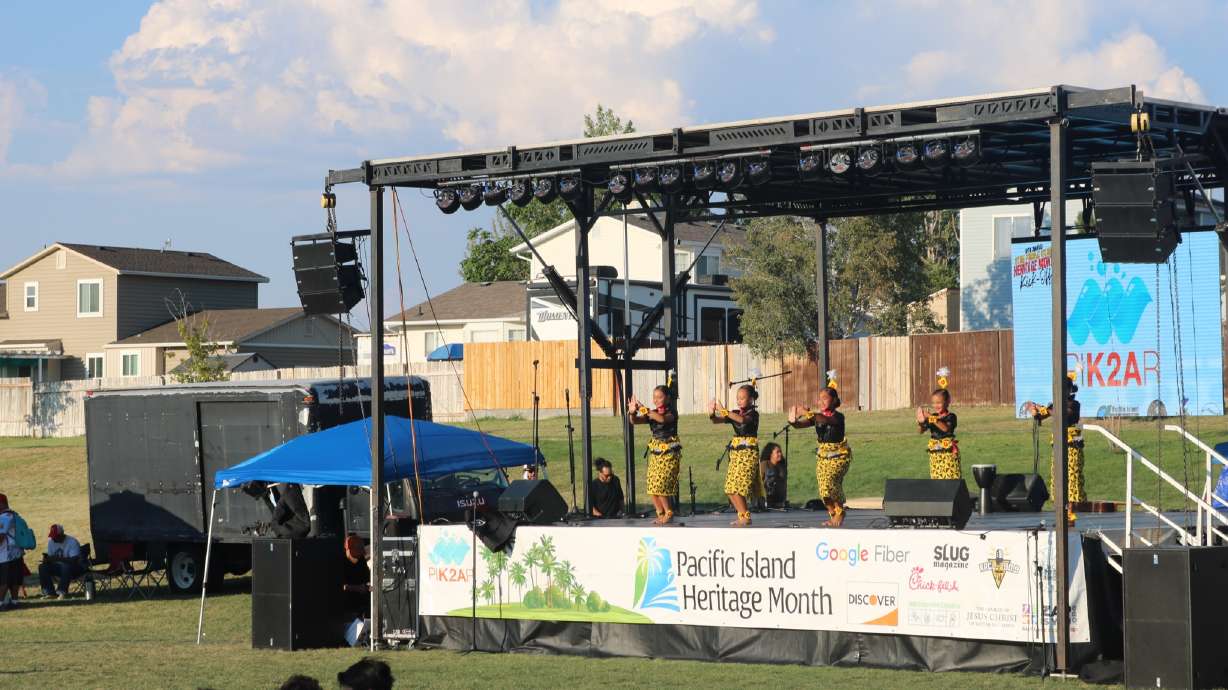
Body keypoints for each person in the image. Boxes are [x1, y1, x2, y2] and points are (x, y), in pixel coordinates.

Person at [789, 379, 852, 527]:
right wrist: (793, 420)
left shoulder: (838, 417)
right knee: (824, 490)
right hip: (823, 457)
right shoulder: (817, 417)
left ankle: (840, 511)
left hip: (839, 457)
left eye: (825, 398)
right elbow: (799, 425)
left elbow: (824, 419)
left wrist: (807, 412)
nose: (821, 401)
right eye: (820, 398)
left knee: (830, 483)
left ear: (834, 400)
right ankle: (834, 514)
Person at [1024, 373, 1083, 525]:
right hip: (1058, 446)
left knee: (1070, 480)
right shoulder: (1054, 405)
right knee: (1058, 479)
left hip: (1071, 448)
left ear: (1070, 390)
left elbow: (1066, 415)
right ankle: (1061, 514)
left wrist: (1048, 409)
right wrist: (1035, 410)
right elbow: (1041, 416)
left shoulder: (1074, 404)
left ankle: (1070, 515)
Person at [709, 384, 763, 527]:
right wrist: (712, 413)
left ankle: (745, 516)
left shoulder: (753, 414)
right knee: (730, 488)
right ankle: (743, 516)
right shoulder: (734, 412)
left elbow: (742, 420)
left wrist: (725, 411)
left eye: (742, 398)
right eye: (737, 398)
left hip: (748, 454)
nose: (739, 401)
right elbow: (716, 421)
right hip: (736, 454)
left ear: (751, 399)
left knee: (739, 487)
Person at [628, 385, 681, 525]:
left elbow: (662, 419)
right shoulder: (652, 413)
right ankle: (660, 513)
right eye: (654, 397)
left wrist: (644, 409)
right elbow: (634, 421)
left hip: (669, 453)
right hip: (656, 453)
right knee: (652, 486)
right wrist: (633, 412)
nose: (656, 400)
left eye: (660, 397)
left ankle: (669, 512)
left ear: (668, 398)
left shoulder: (672, 412)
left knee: (660, 484)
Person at [916, 368, 960, 480]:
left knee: (950, 476)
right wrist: (921, 423)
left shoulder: (951, 416)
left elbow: (945, 429)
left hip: (948, 452)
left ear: (947, 402)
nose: (936, 406)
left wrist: (930, 417)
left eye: (939, 403)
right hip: (935, 452)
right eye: (934, 403)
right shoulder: (933, 417)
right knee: (936, 477)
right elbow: (921, 431)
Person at [39, 524, 83, 599]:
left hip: (74, 569)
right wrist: (47, 560)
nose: (53, 539)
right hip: (58, 567)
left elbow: (74, 561)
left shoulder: (72, 542)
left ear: (62, 534)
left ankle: (62, 592)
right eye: (52, 537)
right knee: (43, 567)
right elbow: (51, 558)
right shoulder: (51, 542)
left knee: (66, 566)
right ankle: (49, 592)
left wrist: (57, 559)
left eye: (55, 537)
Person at [0, 493, 27, 611]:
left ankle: (1, 604)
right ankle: (15, 602)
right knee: (15, 579)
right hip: (16, 553)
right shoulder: (14, 515)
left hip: (5, 555)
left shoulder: (4, 517)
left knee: (4, 581)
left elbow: (0, 537)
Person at [341, 534, 371, 622]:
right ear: (348, 549)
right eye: (357, 549)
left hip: (362, 603)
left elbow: (366, 577)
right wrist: (358, 588)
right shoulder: (340, 562)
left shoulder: (360, 559)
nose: (360, 553)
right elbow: (341, 586)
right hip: (347, 607)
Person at [760, 442, 788, 509]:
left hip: (780, 502)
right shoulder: (764, 465)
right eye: (777, 452)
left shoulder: (782, 466)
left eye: (780, 452)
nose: (780, 454)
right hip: (766, 501)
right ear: (770, 454)